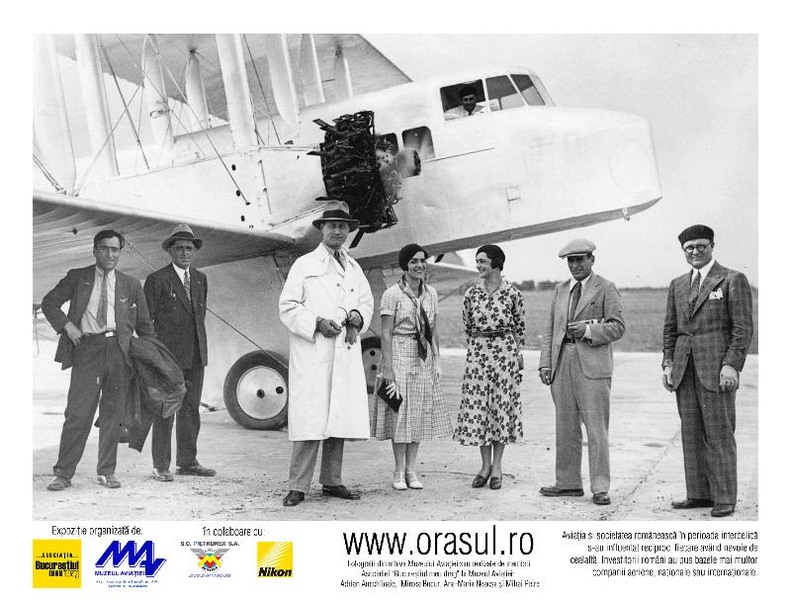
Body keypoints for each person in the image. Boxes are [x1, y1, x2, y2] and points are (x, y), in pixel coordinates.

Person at [41, 230, 156, 491]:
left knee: (113, 415)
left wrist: (152, 358)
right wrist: (68, 326)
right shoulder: (77, 277)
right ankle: (63, 473)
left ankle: (106, 472)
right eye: (104, 249)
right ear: (95, 250)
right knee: (78, 413)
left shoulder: (131, 284)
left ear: (120, 253)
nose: (110, 254)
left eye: (115, 250)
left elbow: (145, 327)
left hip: (119, 352)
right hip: (87, 349)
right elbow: (49, 303)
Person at [278, 207, 374, 507]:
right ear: (321, 229)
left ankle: (332, 480)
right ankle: (298, 486)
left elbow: (366, 302)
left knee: (337, 417)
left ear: (349, 231)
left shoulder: (354, 268)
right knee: (311, 418)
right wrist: (317, 323)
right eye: (332, 226)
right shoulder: (304, 265)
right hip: (314, 352)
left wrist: (358, 316)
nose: (337, 232)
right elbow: (288, 306)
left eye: (343, 227)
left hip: (344, 351)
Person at [662, 225, 753, 518]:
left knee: (719, 434)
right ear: (683, 251)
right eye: (689, 248)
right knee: (690, 434)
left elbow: (742, 328)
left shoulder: (731, 279)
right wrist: (668, 363)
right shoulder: (677, 284)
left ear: (712, 246)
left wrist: (731, 365)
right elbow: (670, 329)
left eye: (701, 246)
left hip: (716, 370)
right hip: (684, 369)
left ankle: (724, 497)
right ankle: (699, 493)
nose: (695, 252)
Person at [538, 239, 625, 506]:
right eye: (570, 261)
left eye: (580, 260)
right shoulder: (560, 289)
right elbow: (551, 329)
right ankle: (568, 483)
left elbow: (618, 327)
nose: (575, 265)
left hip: (593, 365)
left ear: (591, 260)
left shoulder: (606, 288)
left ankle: (600, 487)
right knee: (565, 426)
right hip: (562, 360)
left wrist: (588, 331)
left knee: (596, 429)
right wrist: (545, 363)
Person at [372, 244, 453, 490]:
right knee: (400, 413)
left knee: (418, 413)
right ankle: (398, 471)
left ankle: (411, 470)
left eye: (422, 260)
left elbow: (433, 329)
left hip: (422, 356)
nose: (419, 265)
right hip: (399, 352)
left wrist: (437, 359)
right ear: (405, 265)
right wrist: (388, 369)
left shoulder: (431, 294)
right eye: (414, 261)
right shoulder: (392, 294)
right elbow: (386, 333)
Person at [143, 224, 215, 481]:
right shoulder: (157, 280)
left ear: (194, 251)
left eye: (189, 248)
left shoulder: (200, 279)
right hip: (168, 359)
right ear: (170, 251)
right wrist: (158, 356)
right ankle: (160, 465)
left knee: (191, 410)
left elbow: (198, 318)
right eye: (180, 248)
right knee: (166, 409)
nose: (185, 253)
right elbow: (145, 323)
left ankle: (187, 462)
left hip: (196, 356)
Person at [454, 244, 525, 490]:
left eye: (482, 261)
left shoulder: (513, 294)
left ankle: (497, 467)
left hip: (505, 355)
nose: (478, 265)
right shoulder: (471, 294)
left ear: (496, 263)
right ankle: (484, 466)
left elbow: (520, 328)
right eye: (477, 261)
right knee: (480, 410)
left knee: (499, 408)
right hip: (478, 355)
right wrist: (479, 349)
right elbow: (468, 325)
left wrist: (515, 355)